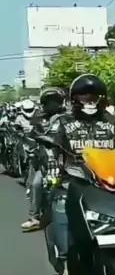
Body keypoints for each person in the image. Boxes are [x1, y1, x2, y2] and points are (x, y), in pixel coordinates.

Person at [50, 74, 115, 275]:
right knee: (60, 205)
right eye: (84, 96)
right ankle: (67, 260)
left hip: (109, 181)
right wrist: (50, 163)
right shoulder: (63, 123)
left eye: (94, 97)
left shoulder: (111, 121)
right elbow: (51, 147)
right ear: (75, 99)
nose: (90, 101)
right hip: (75, 180)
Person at [21, 87, 65, 233]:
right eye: (49, 101)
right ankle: (34, 217)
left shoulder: (68, 118)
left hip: (67, 160)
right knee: (36, 184)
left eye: (55, 101)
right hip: (45, 161)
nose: (52, 104)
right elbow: (30, 137)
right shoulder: (38, 120)